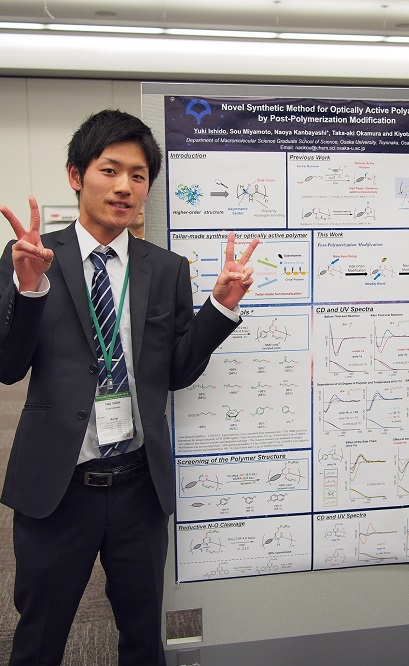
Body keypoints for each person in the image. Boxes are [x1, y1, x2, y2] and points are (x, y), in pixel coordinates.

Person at [0, 109, 259, 666]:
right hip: (58, 487)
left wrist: (219, 308)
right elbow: (8, 366)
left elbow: (177, 372)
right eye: (110, 169)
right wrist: (29, 290)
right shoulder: (32, 257)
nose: (124, 186)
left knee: (143, 638)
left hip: (138, 488)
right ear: (76, 175)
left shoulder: (165, 269)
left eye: (138, 176)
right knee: (40, 638)